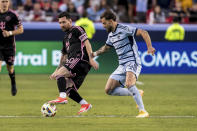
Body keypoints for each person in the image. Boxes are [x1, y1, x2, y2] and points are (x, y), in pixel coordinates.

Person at [92, 10, 156, 118]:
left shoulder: (124, 29)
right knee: (109, 90)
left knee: (130, 84)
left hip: (132, 61)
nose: (103, 26)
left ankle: (143, 111)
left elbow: (143, 32)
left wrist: (149, 47)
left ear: (111, 21)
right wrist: (94, 54)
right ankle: (137, 92)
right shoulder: (111, 35)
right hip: (122, 64)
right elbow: (106, 48)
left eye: (104, 23)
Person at [48, 12, 98, 115]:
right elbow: (64, 56)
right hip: (76, 62)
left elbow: (87, 42)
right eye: (60, 23)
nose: (61, 24)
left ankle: (62, 98)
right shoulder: (65, 38)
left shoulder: (77, 29)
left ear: (70, 21)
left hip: (80, 59)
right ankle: (85, 104)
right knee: (68, 88)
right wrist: (56, 70)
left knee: (60, 75)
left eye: (64, 22)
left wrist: (91, 58)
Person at [0, 0, 24, 96]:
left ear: (9, 2)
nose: (4, 3)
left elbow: (21, 30)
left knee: (10, 68)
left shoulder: (13, 15)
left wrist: (9, 33)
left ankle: (13, 82)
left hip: (9, 46)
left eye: (6, 1)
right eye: (2, 1)